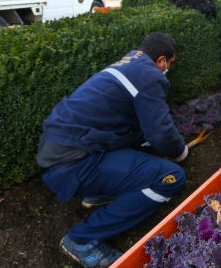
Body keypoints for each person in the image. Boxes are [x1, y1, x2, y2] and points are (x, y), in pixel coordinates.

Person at [37, 32, 190, 267]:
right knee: (171, 178)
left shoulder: (130, 62)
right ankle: (81, 239)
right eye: (171, 63)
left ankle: (98, 192)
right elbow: (160, 132)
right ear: (161, 61)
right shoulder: (150, 75)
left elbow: (147, 131)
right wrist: (181, 153)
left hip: (61, 149)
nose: (169, 68)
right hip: (72, 163)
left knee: (143, 140)